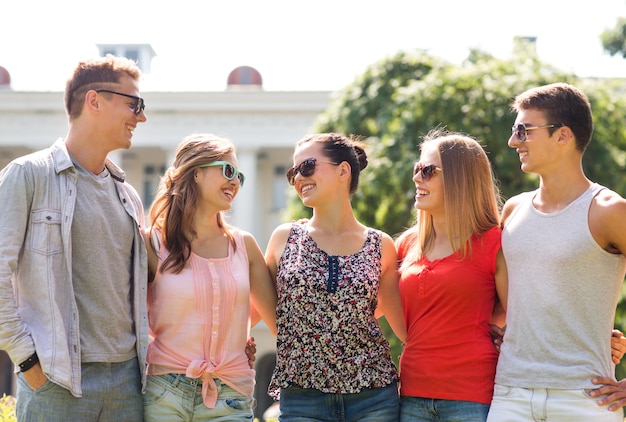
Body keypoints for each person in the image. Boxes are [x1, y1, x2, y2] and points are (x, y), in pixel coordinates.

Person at [0, 55, 149, 421]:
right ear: (94, 101)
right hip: (56, 382)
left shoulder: (128, 196)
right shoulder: (28, 175)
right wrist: (28, 361)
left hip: (127, 384)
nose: (141, 117)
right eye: (134, 104)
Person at [487, 82, 626, 421]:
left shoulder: (609, 211)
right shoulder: (513, 211)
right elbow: (511, 304)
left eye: (524, 130)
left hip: (586, 397)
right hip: (511, 394)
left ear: (563, 135)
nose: (513, 141)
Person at [265, 132, 407, 421]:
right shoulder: (284, 238)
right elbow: (261, 305)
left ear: (343, 171)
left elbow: (401, 325)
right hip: (302, 398)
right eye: (293, 172)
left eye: (307, 167)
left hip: (374, 396)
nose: (298, 179)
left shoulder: (382, 245)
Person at [143, 133, 278, 421]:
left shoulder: (244, 245)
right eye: (228, 171)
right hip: (164, 390)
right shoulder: (152, 243)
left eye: (239, 175)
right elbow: (130, 321)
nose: (236, 182)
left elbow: (280, 320)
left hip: (230, 394)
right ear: (196, 172)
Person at [395, 129, 507, 421]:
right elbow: (363, 301)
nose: (417, 178)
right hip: (411, 394)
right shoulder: (407, 244)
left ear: (460, 179)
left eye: (428, 170)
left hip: (470, 397)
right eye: (417, 169)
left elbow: (526, 313)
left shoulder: (495, 242)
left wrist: (595, 338)